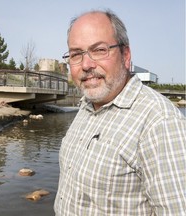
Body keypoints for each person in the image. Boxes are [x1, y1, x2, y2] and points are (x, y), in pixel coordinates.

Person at [54, 9, 186, 215]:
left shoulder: (160, 122)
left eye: (99, 50)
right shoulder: (87, 104)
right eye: (76, 54)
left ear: (125, 55)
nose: (87, 64)